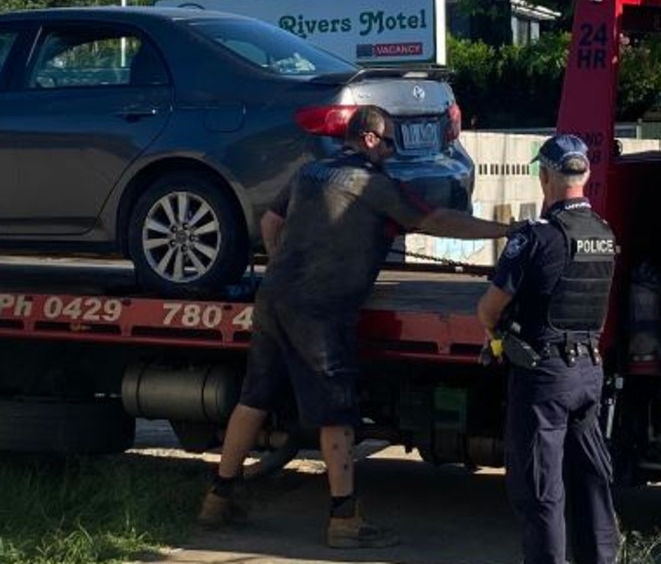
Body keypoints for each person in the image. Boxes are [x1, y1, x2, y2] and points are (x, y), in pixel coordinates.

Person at [197, 104, 515, 549]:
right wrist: (507, 230)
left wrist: (284, 265)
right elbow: (437, 220)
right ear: (369, 139)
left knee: (254, 397)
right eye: (389, 143)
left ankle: (219, 497)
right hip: (322, 309)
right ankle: (344, 518)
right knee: (337, 411)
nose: (392, 152)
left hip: (273, 297)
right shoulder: (373, 184)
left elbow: (271, 222)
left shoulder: (310, 174)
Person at [476, 134, 620, 564]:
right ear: (586, 175)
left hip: (545, 377)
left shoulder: (538, 236)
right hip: (589, 373)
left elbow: (489, 309)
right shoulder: (604, 233)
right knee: (592, 484)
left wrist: (496, 330)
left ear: (545, 178)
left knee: (542, 492)